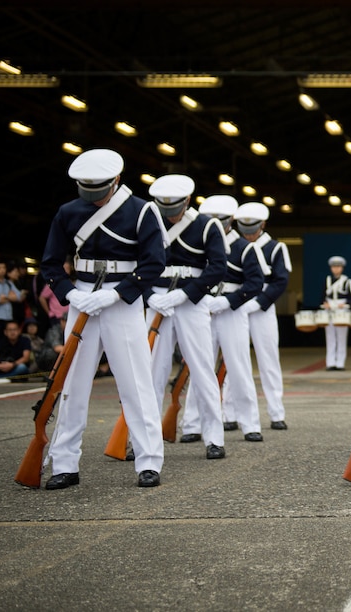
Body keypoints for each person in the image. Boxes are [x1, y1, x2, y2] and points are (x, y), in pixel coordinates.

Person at [40, 148, 165, 489]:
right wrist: (71, 294)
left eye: (100, 191)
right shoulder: (68, 212)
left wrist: (117, 294)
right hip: (82, 297)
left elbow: (153, 263)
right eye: (87, 190)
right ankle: (64, 463)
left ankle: (149, 460)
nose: (93, 198)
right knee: (72, 384)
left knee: (136, 383)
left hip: (121, 300)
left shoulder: (142, 212)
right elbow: (51, 264)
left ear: (117, 181)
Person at [144, 174, 228, 460]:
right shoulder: (149, 221)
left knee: (202, 368)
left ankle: (214, 438)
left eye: (174, 208)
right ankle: (143, 438)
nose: (169, 214)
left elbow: (217, 268)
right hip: (157, 300)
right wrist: (148, 295)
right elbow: (135, 261)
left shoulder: (206, 226)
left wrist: (186, 294)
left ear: (188, 201)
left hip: (191, 300)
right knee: (152, 372)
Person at [183, 195, 266, 440]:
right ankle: (192, 424)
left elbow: (255, 283)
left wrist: (229, 300)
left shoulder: (244, 247)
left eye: (221, 220)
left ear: (231, 221)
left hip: (231, 309)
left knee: (239, 366)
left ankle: (250, 424)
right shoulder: (198, 244)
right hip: (203, 306)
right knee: (199, 366)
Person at [236, 202, 290, 431]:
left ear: (263, 225)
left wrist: (259, 303)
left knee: (268, 361)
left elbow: (280, 281)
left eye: (253, 230)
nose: (248, 235)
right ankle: (230, 413)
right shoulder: (234, 246)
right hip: (236, 305)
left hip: (263, 309)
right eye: (244, 230)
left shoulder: (276, 248)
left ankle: (276, 412)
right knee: (234, 361)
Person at [321, 256, 351, 371]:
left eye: (338, 266)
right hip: (330, 308)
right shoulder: (327, 280)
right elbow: (323, 296)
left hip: (342, 309)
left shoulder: (347, 281)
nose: (336, 269)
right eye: (334, 267)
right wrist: (325, 303)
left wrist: (344, 305)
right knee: (329, 337)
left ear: (342, 268)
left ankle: (340, 363)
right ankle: (330, 363)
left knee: (341, 337)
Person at [0, 259, 21, 343]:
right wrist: (10, 296)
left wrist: (5, 297)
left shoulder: (8, 283)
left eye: (3, 267)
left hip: (8, 318)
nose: (2, 270)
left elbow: (18, 297)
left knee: (7, 342)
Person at [39, 260, 71, 326]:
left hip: (68, 316)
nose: (66, 272)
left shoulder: (70, 282)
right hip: (57, 317)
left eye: (68, 269)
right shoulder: (54, 282)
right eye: (64, 269)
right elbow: (42, 298)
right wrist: (49, 312)